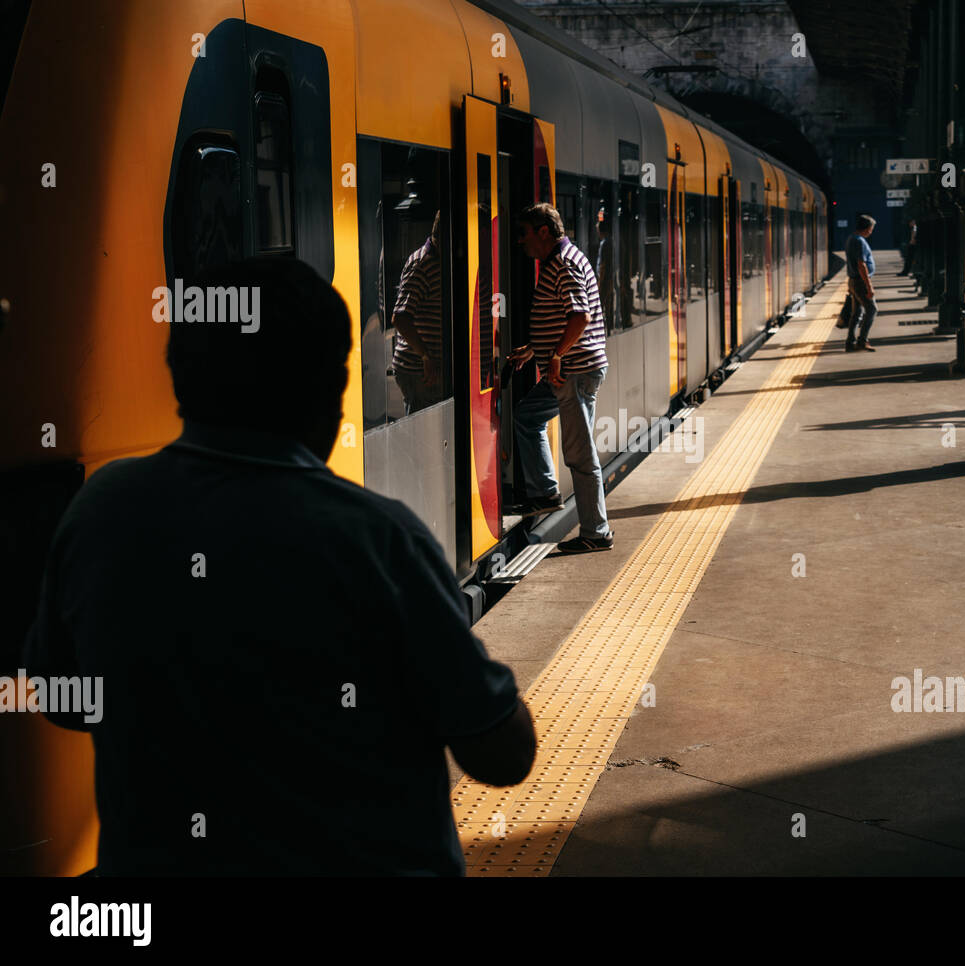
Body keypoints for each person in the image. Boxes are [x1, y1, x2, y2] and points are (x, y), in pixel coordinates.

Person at [23, 256, 535, 875]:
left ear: (180, 375)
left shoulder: (100, 511)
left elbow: (60, 695)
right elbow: (502, 754)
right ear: (324, 390)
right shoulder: (380, 541)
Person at [506, 203, 613, 554]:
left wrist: (555, 354)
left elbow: (579, 316)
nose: (521, 242)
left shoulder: (563, 263)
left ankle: (596, 533)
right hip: (567, 370)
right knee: (527, 416)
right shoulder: (562, 259)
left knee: (579, 454)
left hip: (574, 371)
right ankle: (545, 493)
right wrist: (534, 349)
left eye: (524, 234)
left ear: (543, 232)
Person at [390, 211, 443, 416]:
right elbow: (400, 318)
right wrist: (426, 356)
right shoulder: (422, 263)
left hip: (427, 369)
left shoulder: (439, 261)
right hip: (418, 370)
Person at [845, 213, 878, 352]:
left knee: (857, 312)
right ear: (867, 228)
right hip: (860, 282)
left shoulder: (851, 238)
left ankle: (850, 342)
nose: (871, 231)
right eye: (871, 228)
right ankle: (862, 341)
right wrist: (869, 286)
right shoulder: (859, 241)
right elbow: (861, 264)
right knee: (872, 310)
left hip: (853, 281)